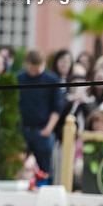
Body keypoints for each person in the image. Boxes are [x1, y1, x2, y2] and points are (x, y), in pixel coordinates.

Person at [16, 49, 65, 183]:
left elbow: (57, 107)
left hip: (43, 130)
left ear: (43, 64)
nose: (33, 72)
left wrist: (49, 128)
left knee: (45, 169)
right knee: (18, 167)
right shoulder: (18, 78)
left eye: (36, 69)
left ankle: (45, 193)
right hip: (22, 130)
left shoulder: (52, 79)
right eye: (31, 69)